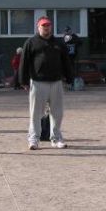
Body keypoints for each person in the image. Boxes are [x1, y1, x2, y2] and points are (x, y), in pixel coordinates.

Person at [19, 16, 73, 150]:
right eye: (43, 26)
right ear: (38, 27)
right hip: (38, 82)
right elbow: (24, 63)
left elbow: (66, 61)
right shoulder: (31, 42)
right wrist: (23, 81)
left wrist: (69, 77)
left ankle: (56, 139)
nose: (46, 28)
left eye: (48, 25)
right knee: (36, 113)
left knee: (57, 113)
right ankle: (34, 140)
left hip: (56, 82)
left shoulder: (59, 43)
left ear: (51, 27)